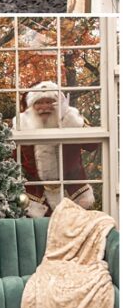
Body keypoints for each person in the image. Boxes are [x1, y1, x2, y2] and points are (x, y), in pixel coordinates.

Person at [14, 81, 99, 217]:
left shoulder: (70, 120)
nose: (44, 107)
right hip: (36, 198)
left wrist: (71, 120)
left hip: (73, 194)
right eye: (39, 103)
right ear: (31, 106)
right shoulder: (22, 125)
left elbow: (93, 145)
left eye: (49, 102)